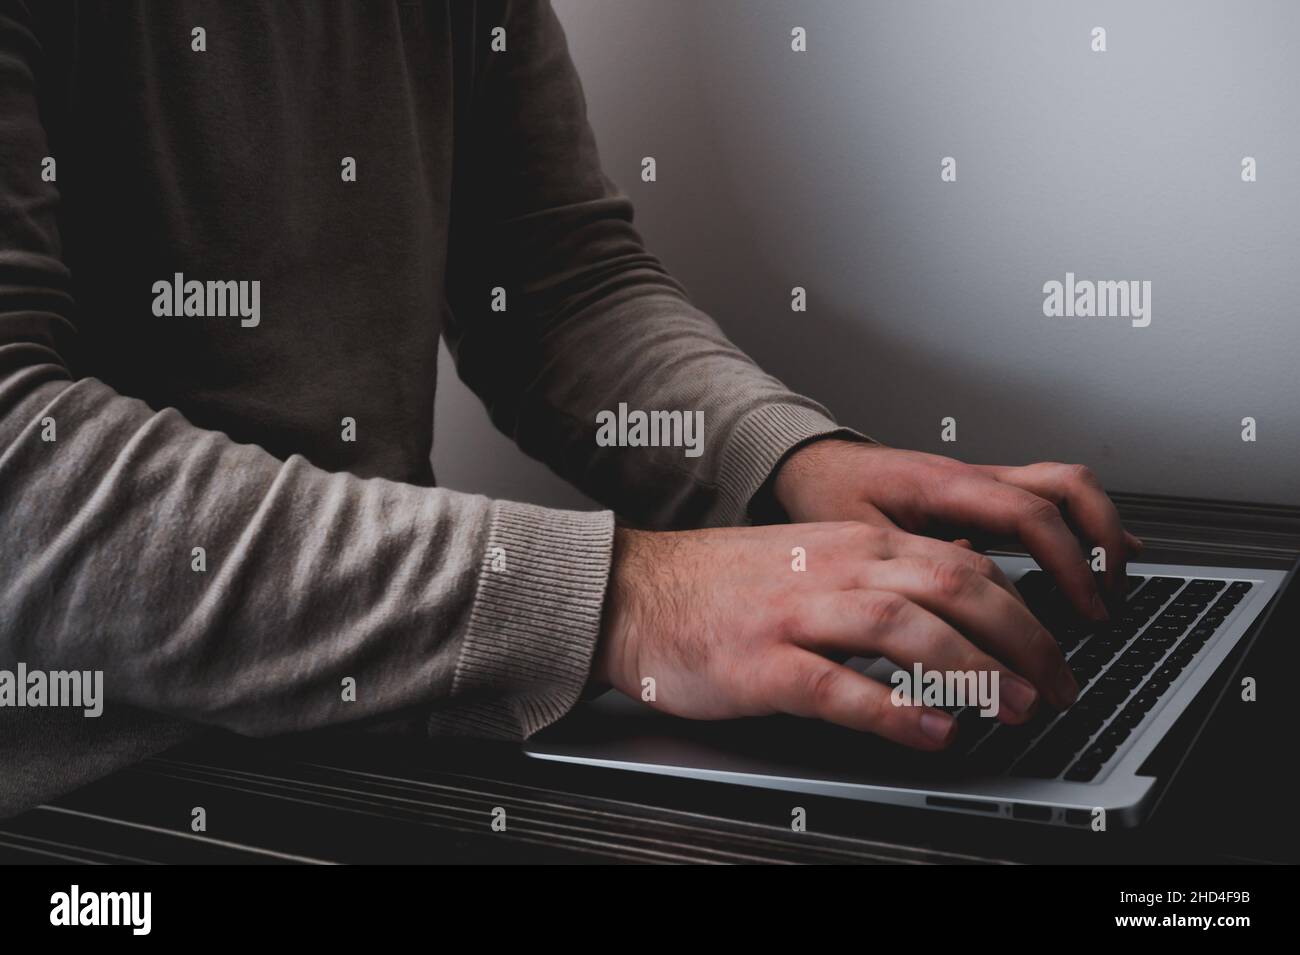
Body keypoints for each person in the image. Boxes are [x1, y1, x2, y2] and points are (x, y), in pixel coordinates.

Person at [0, 1, 1138, 814]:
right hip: (90, 789)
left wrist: (786, 459)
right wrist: (628, 597)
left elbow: (552, 282)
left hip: (379, 711)